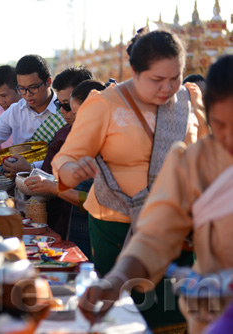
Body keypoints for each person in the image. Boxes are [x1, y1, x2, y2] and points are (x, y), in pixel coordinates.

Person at [52, 29, 209, 331]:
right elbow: (65, 159)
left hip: (174, 229)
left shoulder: (189, 99)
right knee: (125, 318)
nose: (167, 88)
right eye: (156, 80)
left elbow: (206, 156)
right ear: (134, 72)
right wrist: (74, 171)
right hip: (116, 227)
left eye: (174, 78)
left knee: (175, 318)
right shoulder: (105, 103)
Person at [80, 54, 233, 334]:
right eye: (221, 126)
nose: (229, 139)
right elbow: (155, 234)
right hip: (211, 316)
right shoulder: (194, 162)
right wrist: (116, 280)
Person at [26, 76, 102, 257]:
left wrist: (53, 187)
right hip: (70, 223)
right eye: (61, 106)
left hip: (100, 232)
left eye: (70, 109)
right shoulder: (71, 136)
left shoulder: (108, 144)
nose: (64, 113)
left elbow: (94, 200)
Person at [0, 54, 62, 177]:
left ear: (48, 82)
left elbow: (71, 158)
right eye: (22, 89)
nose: (28, 94)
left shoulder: (64, 110)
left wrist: (31, 167)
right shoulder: (16, 110)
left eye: (33, 88)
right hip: (21, 184)